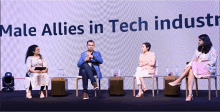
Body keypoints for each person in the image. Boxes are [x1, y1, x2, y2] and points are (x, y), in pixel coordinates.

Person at [169, 34, 218, 101]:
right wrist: (196, 63)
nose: (198, 42)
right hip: (197, 68)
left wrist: (201, 63)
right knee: (191, 69)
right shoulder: (198, 50)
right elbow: (193, 59)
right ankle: (190, 94)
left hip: (208, 69)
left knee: (192, 64)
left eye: (200, 40)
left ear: (205, 40)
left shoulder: (212, 49)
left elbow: (213, 62)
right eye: (198, 40)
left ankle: (179, 80)